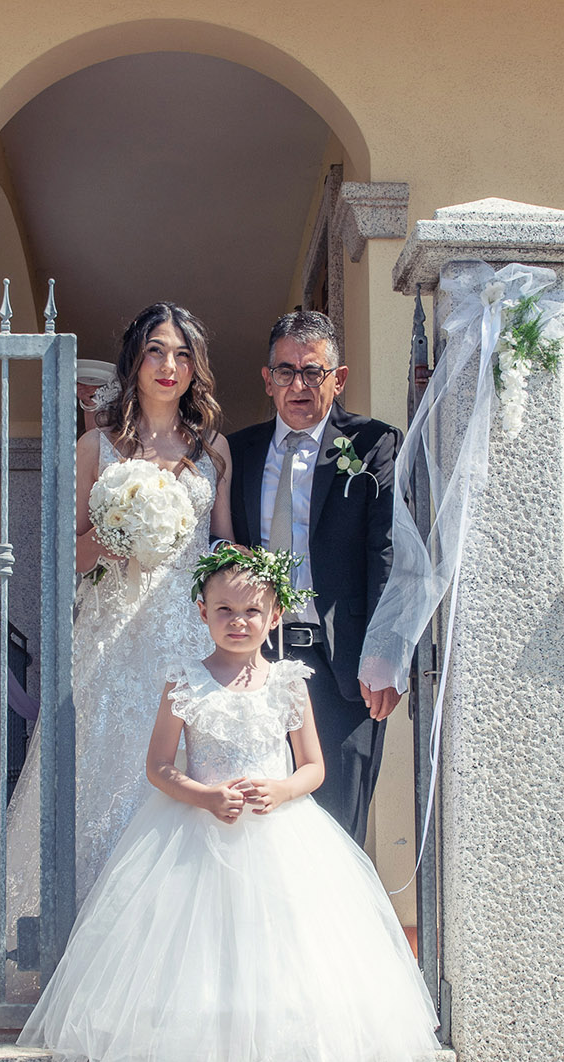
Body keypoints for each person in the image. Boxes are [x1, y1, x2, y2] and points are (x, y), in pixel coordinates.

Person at [19, 548, 439, 1062]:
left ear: (274, 616)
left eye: (251, 610)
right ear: (201, 611)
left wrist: (283, 789)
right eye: (224, 609)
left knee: (280, 956)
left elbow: (313, 766)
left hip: (280, 840)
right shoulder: (183, 682)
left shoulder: (290, 684)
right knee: (204, 955)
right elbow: (160, 767)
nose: (238, 620)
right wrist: (207, 797)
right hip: (197, 836)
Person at [0, 303, 233, 1004]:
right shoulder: (97, 447)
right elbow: (66, 552)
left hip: (184, 637)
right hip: (114, 635)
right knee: (101, 783)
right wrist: (117, 536)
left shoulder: (213, 450)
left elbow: (221, 552)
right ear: (135, 361)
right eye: (156, 351)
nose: (168, 366)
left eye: (182, 355)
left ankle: (177, 968)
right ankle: (86, 967)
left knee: (186, 783)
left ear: (194, 368)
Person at [227, 311, 402, 845]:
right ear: (267, 379)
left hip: (341, 667)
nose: (297, 385)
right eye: (285, 371)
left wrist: (384, 655)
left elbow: (389, 553)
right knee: (254, 827)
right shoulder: (237, 451)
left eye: (312, 371)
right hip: (250, 662)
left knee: (333, 832)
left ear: (338, 378)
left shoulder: (374, 445)